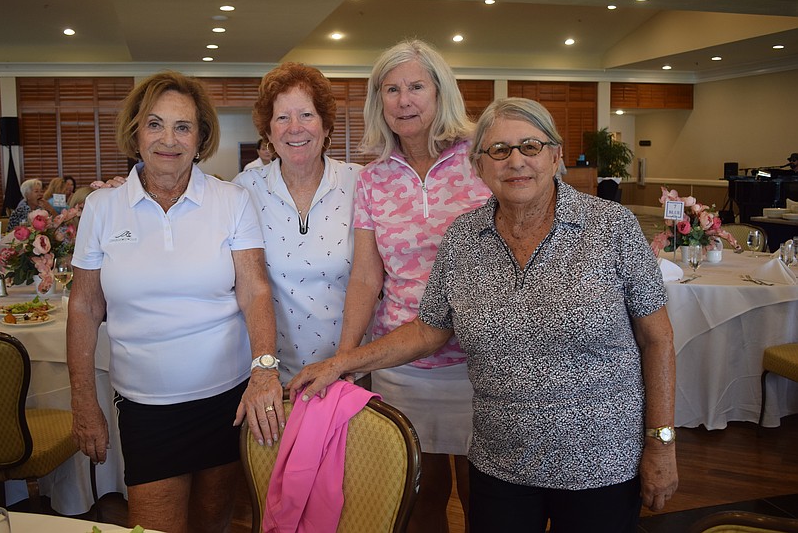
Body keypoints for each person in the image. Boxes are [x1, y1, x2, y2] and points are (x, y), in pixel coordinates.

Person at [290, 97, 678, 533]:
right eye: (498, 150)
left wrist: (661, 443)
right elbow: (428, 330)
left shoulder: (611, 227)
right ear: (478, 167)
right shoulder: (463, 237)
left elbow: (657, 339)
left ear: (556, 155)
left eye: (530, 146)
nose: (516, 161)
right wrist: (343, 361)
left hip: (600, 462)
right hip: (501, 463)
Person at [67, 71, 281, 533]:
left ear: (201, 137)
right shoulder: (103, 209)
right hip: (146, 407)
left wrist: (264, 368)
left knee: (214, 521)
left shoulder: (232, 201)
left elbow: (254, 288)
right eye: (155, 124)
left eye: (183, 127)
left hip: (225, 401)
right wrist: (84, 399)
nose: (169, 139)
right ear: (135, 132)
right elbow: (84, 307)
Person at [336, 39, 492, 532]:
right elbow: (366, 275)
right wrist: (345, 360)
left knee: (484, 498)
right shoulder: (372, 178)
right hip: (402, 367)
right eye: (391, 89)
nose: (404, 100)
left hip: (482, 365)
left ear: (440, 91)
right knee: (419, 501)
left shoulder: (483, 159)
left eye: (416, 87)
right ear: (378, 101)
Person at [232, 62, 362, 384]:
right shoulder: (245, 190)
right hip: (273, 378)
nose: (295, 127)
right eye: (282, 117)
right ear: (268, 133)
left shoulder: (359, 183)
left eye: (306, 115)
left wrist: (347, 366)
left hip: (349, 373)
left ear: (325, 126)